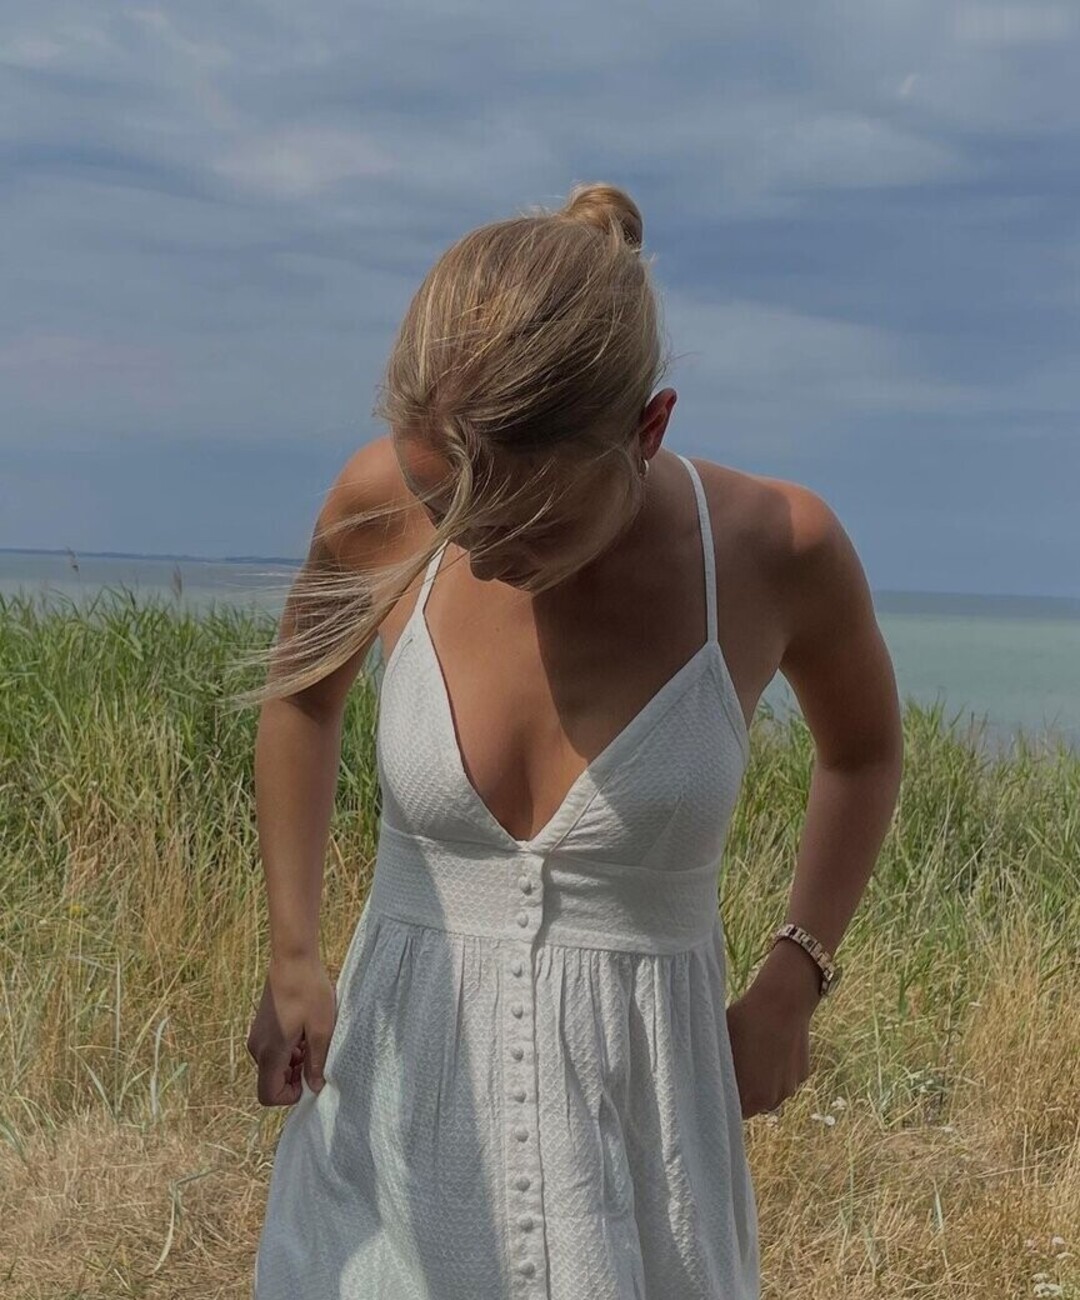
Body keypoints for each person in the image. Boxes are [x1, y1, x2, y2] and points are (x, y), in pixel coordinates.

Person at [241, 182, 904, 1299]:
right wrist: (293, 950)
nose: (476, 552)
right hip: (392, 1132)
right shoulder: (376, 504)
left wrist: (796, 975)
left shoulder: (774, 550)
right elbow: (302, 695)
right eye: (445, 507)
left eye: (523, 521)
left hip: (645, 1160)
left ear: (650, 429)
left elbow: (864, 754)